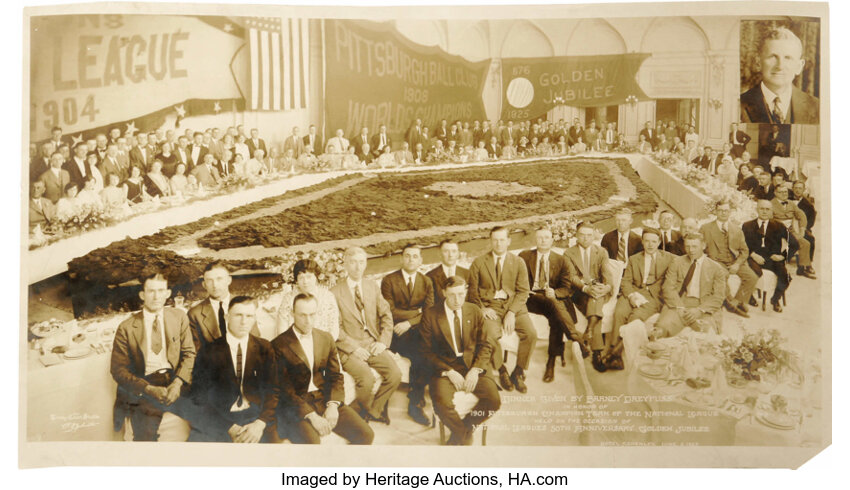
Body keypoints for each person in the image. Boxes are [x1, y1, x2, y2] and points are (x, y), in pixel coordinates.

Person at [272, 293, 374, 444]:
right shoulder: (277, 344)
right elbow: (284, 389)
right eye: (302, 315)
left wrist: (333, 405)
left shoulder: (325, 338)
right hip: (296, 406)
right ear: (292, 314)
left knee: (366, 434)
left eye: (312, 314)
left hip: (324, 398)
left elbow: (336, 376)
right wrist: (311, 415)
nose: (308, 321)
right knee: (312, 443)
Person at [110, 269, 195, 441]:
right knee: (145, 438)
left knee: (209, 422)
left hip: (175, 380)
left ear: (168, 293)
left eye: (161, 291)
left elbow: (189, 353)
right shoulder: (127, 327)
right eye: (151, 291)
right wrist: (147, 388)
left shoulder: (179, 317)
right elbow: (118, 369)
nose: (156, 297)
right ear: (142, 294)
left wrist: (178, 383)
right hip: (145, 385)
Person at [420, 276, 501, 445]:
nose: (457, 300)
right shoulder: (431, 315)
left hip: (472, 364)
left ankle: (462, 433)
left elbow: (486, 344)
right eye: (452, 295)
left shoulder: (474, 310)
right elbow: (425, 352)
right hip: (444, 367)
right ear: (444, 293)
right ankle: (464, 437)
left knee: (494, 400)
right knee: (442, 403)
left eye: (461, 294)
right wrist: (448, 372)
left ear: (465, 292)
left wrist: (476, 369)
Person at [189, 296, 278, 443]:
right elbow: (199, 396)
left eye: (249, 316)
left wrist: (260, 424)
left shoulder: (264, 347)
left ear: (254, 318)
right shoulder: (208, 351)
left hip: (256, 417)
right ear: (227, 317)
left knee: (274, 456)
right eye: (238, 315)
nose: (244, 321)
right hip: (220, 418)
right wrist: (228, 427)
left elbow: (273, 390)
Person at [331, 247, 400, 424]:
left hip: (372, 342)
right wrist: (354, 349)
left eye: (361, 262)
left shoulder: (371, 286)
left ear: (366, 263)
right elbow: (335, 327)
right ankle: (360, 414)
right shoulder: (335, 292)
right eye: (353, 262)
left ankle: (372, 411)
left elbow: (386, 315)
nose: (357, 267)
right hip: (349, 348)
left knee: (395, 374)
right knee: (366, 379)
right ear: (345, 264)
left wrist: (383, 342)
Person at [467, 226, 537, 393]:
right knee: (490, 334)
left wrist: (512, 313)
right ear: (491, 241)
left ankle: (519, 372)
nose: (498, 244)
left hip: (514, 306)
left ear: (508, 241)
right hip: (490, 307)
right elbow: (472, 292)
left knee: (531, 333)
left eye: (502, 240)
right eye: (495, 240)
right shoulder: (479, 262)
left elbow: (523, 291)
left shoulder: (518, 262)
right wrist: (482, 309)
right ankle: (501, 370)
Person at [519, 227, 585, 382]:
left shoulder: (561, 260)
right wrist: (525, 290)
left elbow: (567, 287)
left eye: (546, 237)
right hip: (531, 298)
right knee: (555, 308)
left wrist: (555, 293)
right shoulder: (524, 256)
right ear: (536, 239)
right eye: (540, 237)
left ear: (552, 240)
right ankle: (575, 337)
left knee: (556, 317)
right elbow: (516, 279)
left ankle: (551, 362)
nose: (543, 240)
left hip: (552, 299)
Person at [380, 243, 435, 426]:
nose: (411, 259)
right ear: (401, 258)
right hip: (395, 332)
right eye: (407, 256)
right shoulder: (389, 280)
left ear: (420, 260)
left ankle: (415, 399)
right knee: (419, 351)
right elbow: (389, 310)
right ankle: (413, 400)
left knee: (429, 351)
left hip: (416, 329)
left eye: (415, 256)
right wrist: (416, 315)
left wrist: (410, 322)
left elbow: (430, 311)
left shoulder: (426, 282)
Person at [606, 228, 673, 368]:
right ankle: (613, 348)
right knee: (619, 312)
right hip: (633, 291)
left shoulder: (669, 258)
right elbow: (625, 281)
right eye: (647, 241)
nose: (650, 245)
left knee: (635, 317)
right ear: (642, 241)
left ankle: (616, 353)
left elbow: (687, 264)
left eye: (654, 241)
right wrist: (631, 295)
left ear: (659, 242)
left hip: (653, 296)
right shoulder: (634, 259)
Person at [653, 233, 727, 338]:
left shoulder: (716, 268)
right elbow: (668, 287)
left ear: (703, 246)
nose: (691, 250)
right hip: (679, 301)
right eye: (687, 246)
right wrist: (679, 307)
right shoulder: (677, 262)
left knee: (705, 335)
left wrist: (699, 310)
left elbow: (718, 296)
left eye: (694, 246)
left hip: (704, 304)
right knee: (661, 330)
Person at [740, 27, 819, 124]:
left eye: (788, 58)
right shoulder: (738, 105)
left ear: (799, 66)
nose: (780, 66)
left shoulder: (817, 107)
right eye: (773, 57)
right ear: (758, 63)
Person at [563, 222, 614, 372]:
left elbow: (607, 274)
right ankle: (597, 353)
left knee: (596, 298)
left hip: (597, 290)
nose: (585, 238)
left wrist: (607, 287)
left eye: (589, 235)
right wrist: (586, 288)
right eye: (582, 235)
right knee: (595, 300)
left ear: (593, 236)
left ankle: (589, 333)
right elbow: (571, 277)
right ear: (577, 236)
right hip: (578, 292)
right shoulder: (569, 253)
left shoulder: (601, 251)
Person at [700, 201, 758, 318]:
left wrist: (737, 264)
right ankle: (730, 303)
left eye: (726, 211)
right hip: (716, 261)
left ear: (730, 212)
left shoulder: (736, 229)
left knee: (752, 277)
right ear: (715, 211)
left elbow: (744, 250)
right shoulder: (705, 228)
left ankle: (736, 302)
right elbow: (700, 247)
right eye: (720, 210)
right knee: (723, 275)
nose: (723, 213)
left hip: (734, 261)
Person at [276, 259, 340, 340]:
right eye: (301, 278)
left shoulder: (327, 296)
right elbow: (282, 329)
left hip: (324, 344)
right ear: (296, 280)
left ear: (316, 277)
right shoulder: (289, 298)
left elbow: (333, 326)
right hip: (295, 346)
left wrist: (326, 346)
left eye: (309, 277)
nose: (305, 281)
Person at [772, 185, 816, 279]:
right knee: (794, 243)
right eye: (781, 192)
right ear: (775, 193)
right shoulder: (771, 204)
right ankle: (780, 263)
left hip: (791, 231)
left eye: (785, 192)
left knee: (806, 243)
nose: (784, 194)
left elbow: (802, 215)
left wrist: (802, 229)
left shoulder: (791, 203)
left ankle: (801, 270)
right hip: (777, 232)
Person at [427, 239, 470, 308]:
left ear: (458, 254)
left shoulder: (467, 274)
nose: (450, 255)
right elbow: (430, 303)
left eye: (454, 251)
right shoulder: (430, 276)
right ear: (440, 254)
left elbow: (471, 298)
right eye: (446, 251)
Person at [792, 180, 817, 275]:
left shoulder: (808, 205)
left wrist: (802, 228)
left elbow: (811, 221)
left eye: (800, 188)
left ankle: (808, 264)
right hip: (789, 226)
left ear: (803, 190)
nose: (798, 190)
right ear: (792, 189)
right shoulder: (787, 199)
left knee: (810, 239)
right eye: (796, 188)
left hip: (802, 228)